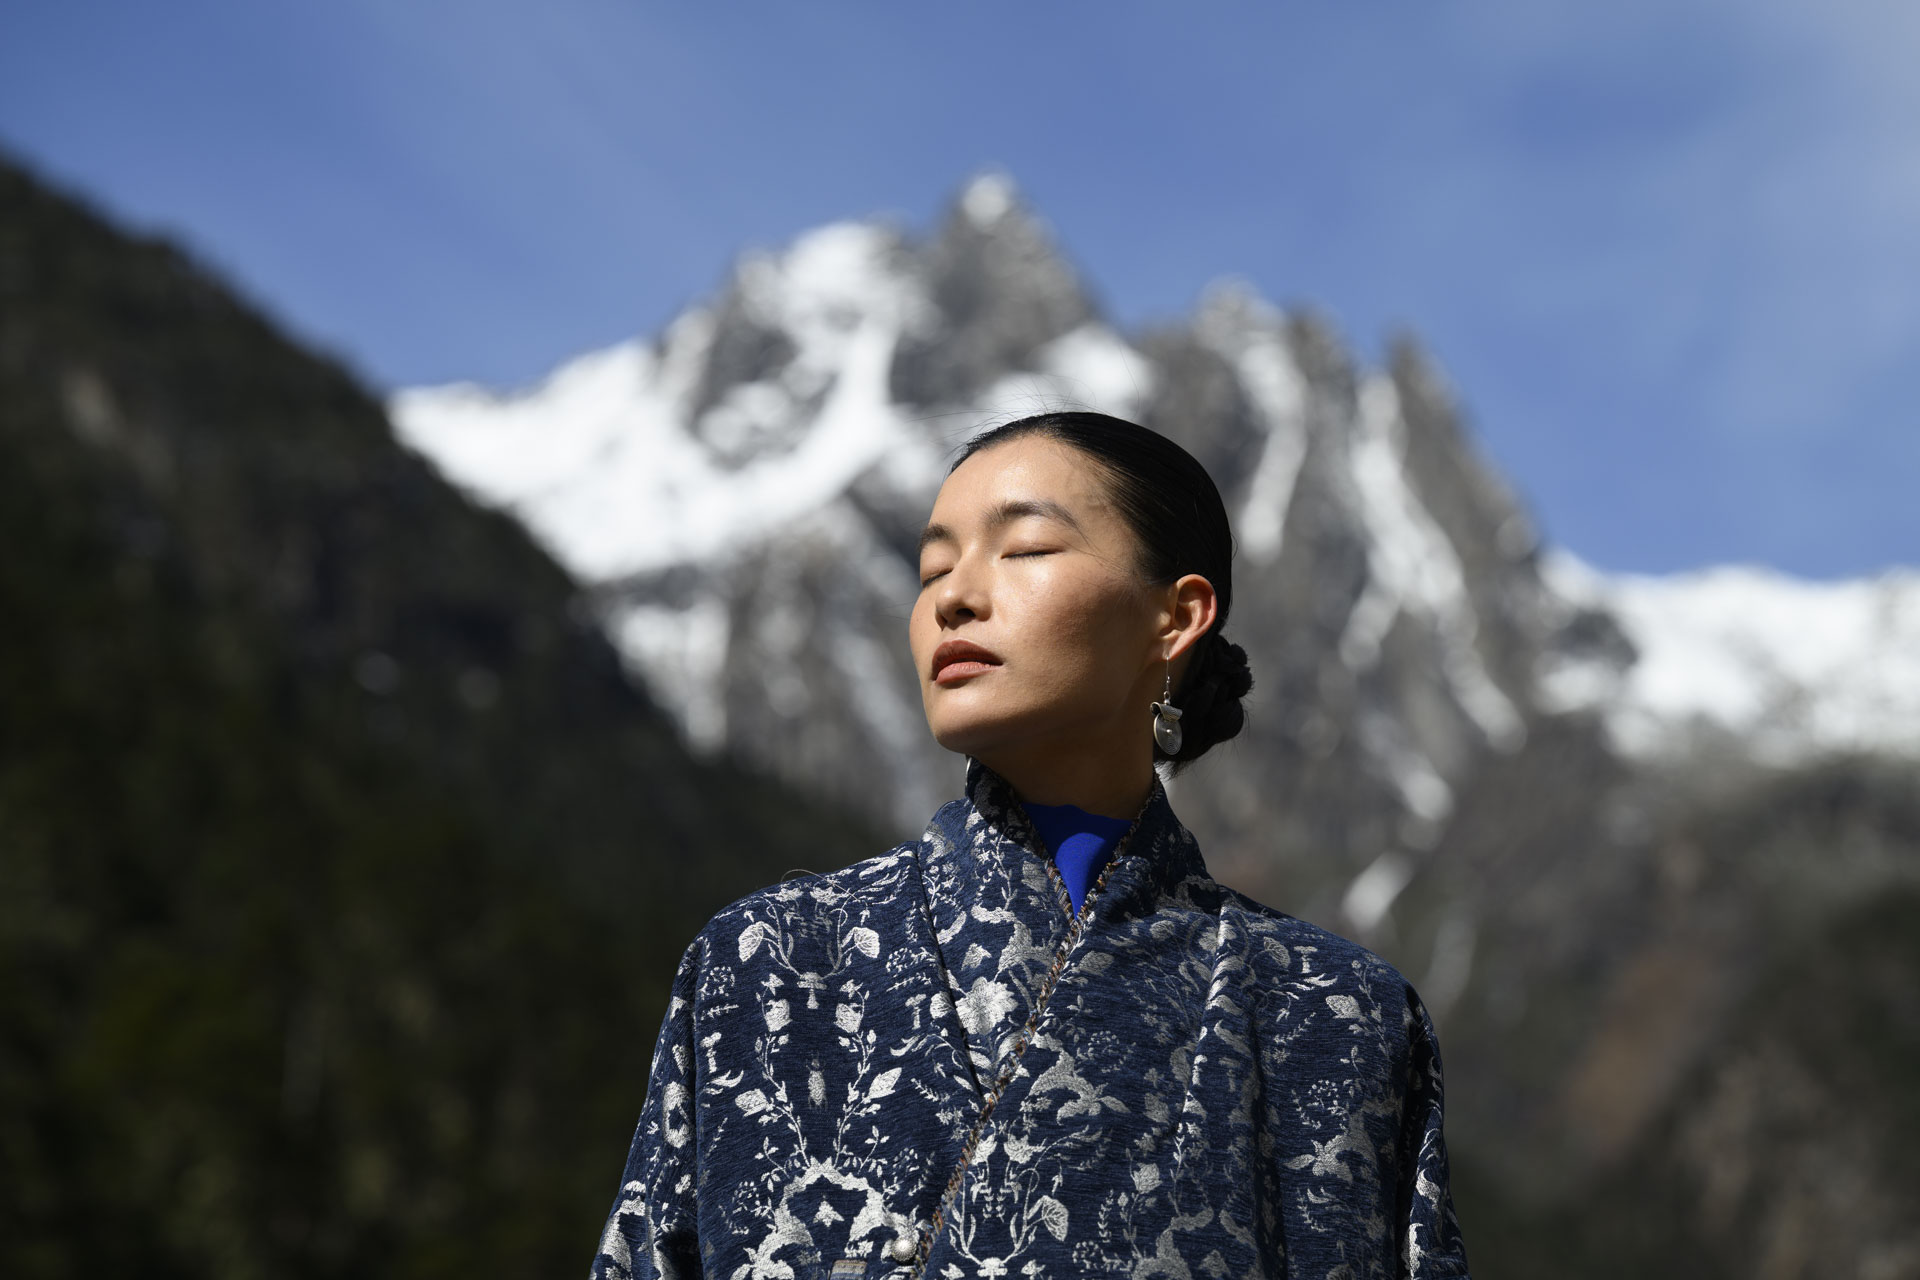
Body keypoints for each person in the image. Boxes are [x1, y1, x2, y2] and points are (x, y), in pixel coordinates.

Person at [591, 412, 1470, 1279]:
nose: (953, 596)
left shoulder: (1342, 1018)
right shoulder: (766, 963)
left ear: (1177, 617)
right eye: (933, 566)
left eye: (1025, 550)